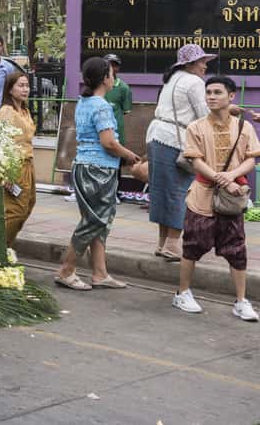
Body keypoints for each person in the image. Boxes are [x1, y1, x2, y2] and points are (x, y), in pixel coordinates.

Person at [172, 76, 259, 321]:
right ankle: (183, 293)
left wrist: (232, 175)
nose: (211, 96)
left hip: (231, 199)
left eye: (217, 92)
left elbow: (252, 158)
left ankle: (241, 301)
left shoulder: (244, 127)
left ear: (231, 96)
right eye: (208, 92)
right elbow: (195, 160)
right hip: (201, 197)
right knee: (192, 246)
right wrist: (223, 180)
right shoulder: (196, 127)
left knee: (237, 249)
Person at [55, 57, 140, 290]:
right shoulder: (102, 106)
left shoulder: (85, 102)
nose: (114, 78)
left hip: (84, 166)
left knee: (96, 222)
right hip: (99, 170)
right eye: (112, 74)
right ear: (105, 78)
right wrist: (129, 155)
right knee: (95, 221)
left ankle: (100, 273)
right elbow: (109, 142)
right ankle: (66, 270)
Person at [145, 44, 214, 261]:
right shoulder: (194, 82)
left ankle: (162, 242)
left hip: (157, 135)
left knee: (161, 191)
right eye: (202, 62)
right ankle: (173, 244)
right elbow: (204, 115)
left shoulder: (172, 79)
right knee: (180, 191)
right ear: (191, 64)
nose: (205, 66)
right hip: (176, 141)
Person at [0, 71, 36, 245]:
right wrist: (4, 173)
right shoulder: (7, 111)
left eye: (27, 85)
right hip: (14, 166)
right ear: (10, 89)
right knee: (15, 211)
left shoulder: (25, 110)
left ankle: (7, 245)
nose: (25, 89)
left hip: (28, 164)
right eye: (20, 85)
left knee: (28, 206)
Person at [103, 54, 133, 196]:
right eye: (108, 64)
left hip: (116, 133)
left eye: (114, 65)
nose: (111, 68)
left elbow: (126, 111)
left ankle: (115, 193)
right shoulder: (96, 88)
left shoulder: (124, 88)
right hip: (99, 133)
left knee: (116, 164)